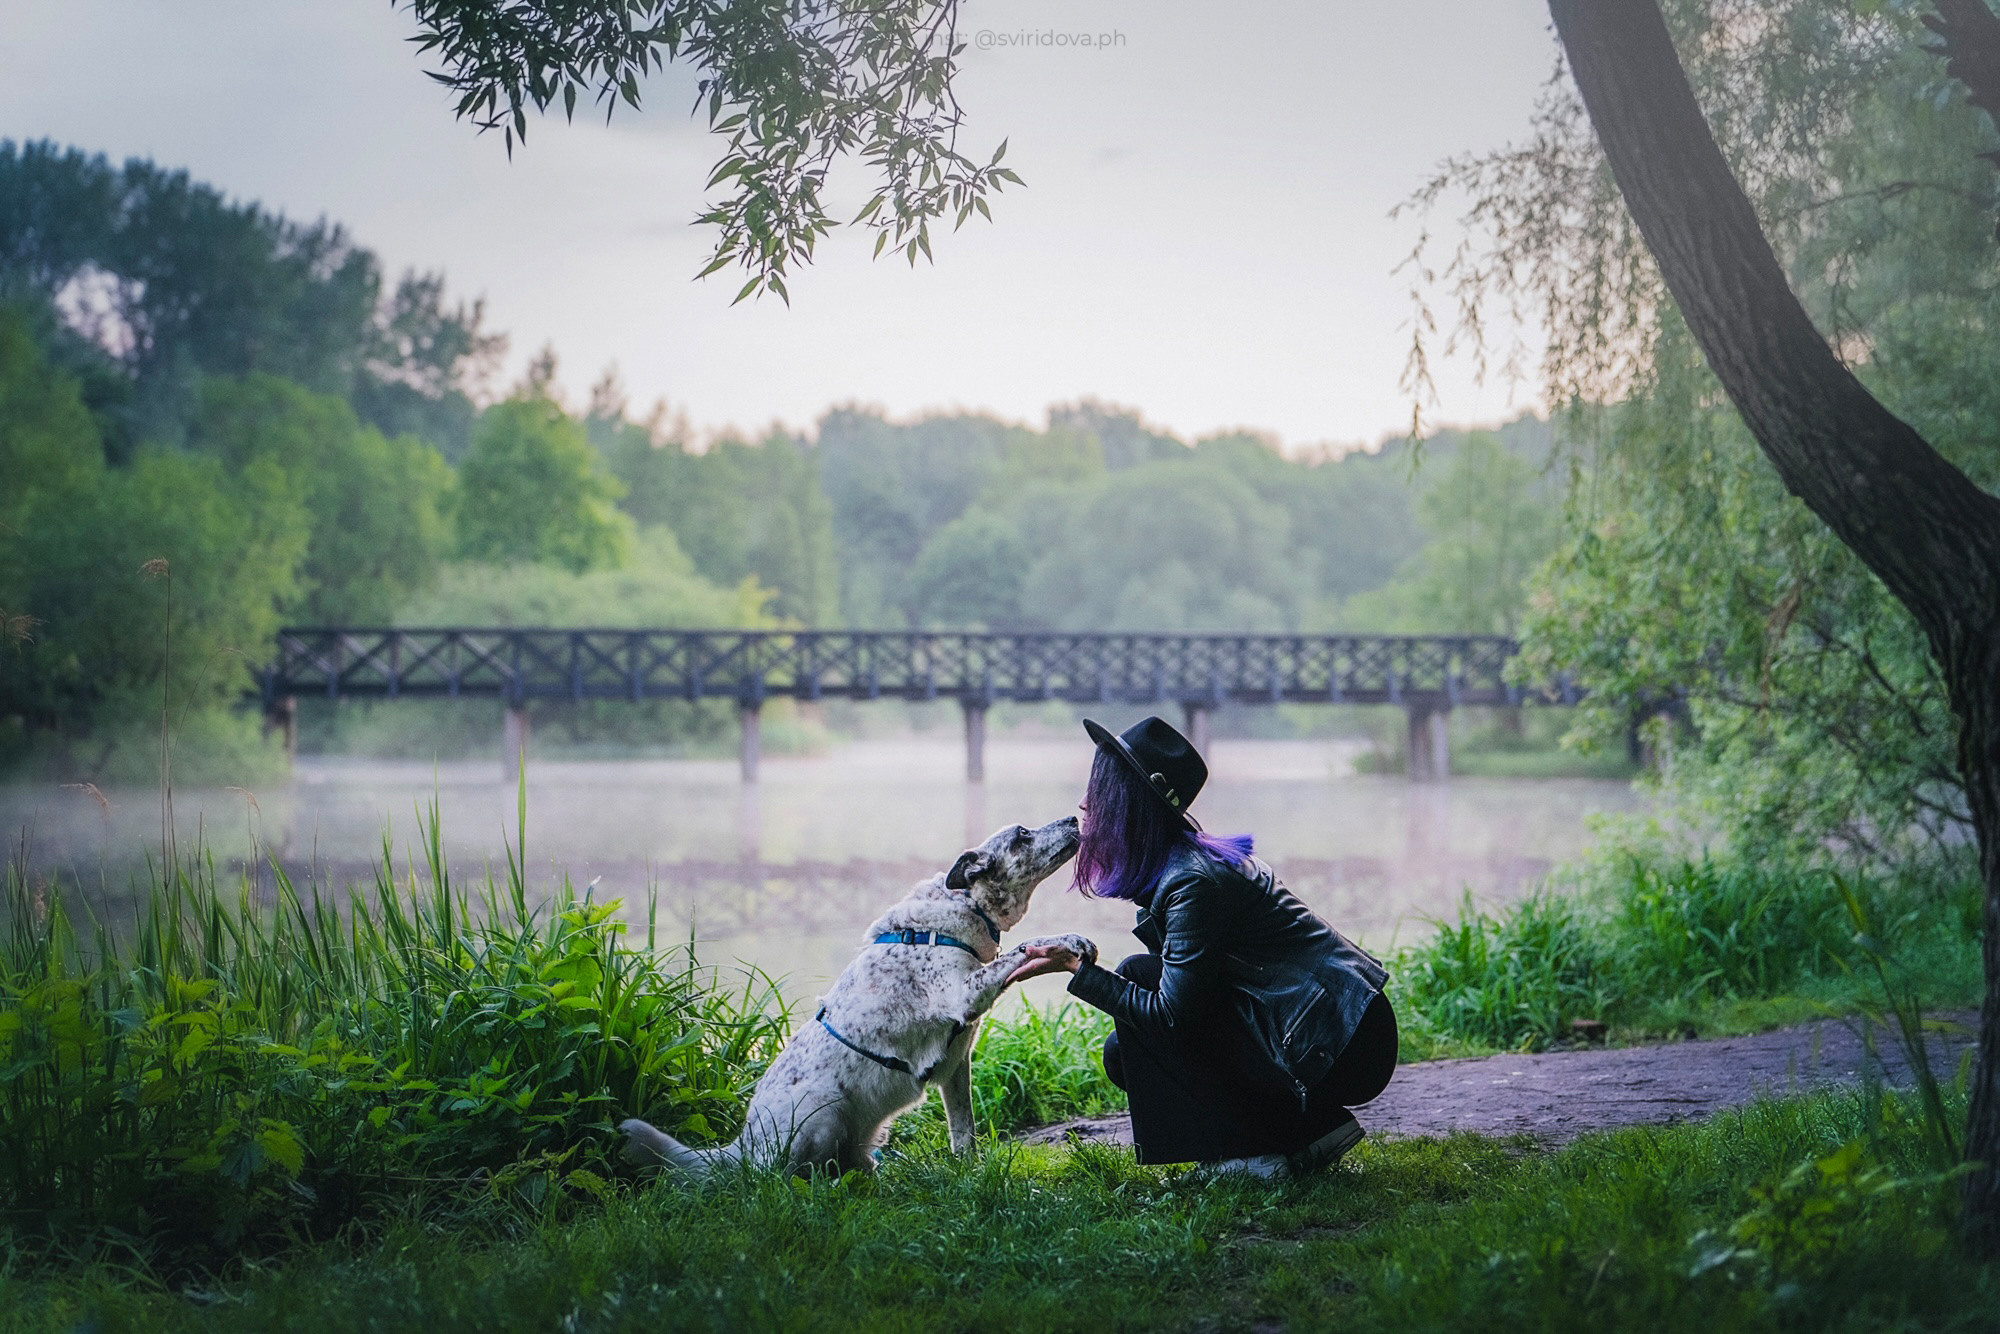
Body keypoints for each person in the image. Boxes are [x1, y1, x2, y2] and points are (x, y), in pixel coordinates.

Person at [1008, 715, 1397, 1177]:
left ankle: (1261, 1154)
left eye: (1100, 789)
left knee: (1136, 982)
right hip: (1318, 1028)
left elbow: (1172, 1018)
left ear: (1129, 803)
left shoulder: (1192, 881)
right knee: (1124, 1047)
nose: (1083, 803)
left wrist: (1076, 967)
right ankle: (1307, 1131)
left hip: (1340, 1039)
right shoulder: (1181, 865)